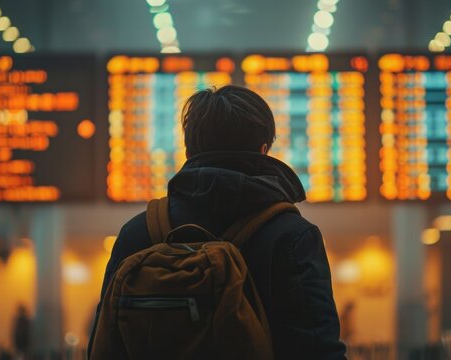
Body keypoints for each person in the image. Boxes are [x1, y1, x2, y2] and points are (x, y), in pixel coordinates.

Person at [89, 85, 346, 359]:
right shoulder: (291, 236)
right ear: (263, 150)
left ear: (189, 151)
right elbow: (319, 350)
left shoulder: (137, 234)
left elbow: (102, 344)